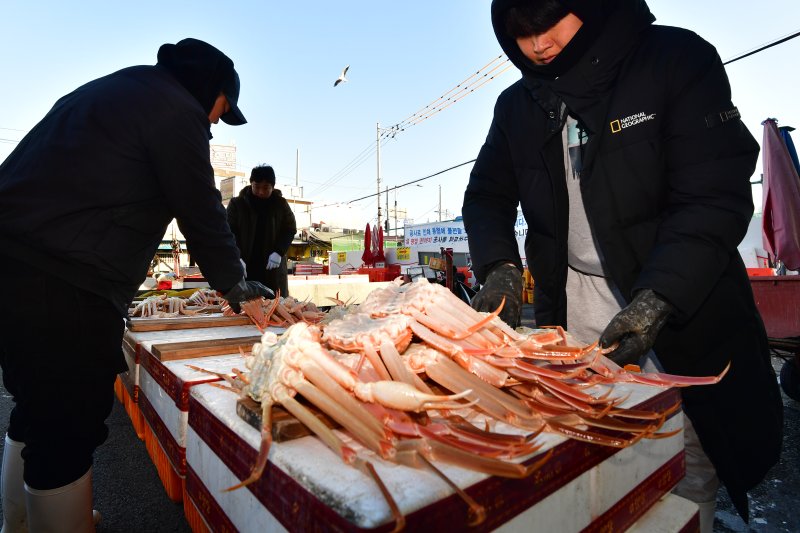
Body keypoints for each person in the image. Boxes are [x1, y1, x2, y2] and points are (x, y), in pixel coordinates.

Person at [462, 1, 783, 530]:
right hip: (574, 316)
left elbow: (714, 194)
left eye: (548, 23)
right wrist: (499, 265)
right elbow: (486, 196)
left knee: (682, 466)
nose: (538, 45)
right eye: (521, 33)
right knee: (586, 459)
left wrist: (660, 297)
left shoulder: (675, 59)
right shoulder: (518, 105)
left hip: (681, 308)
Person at [0, 38, 271, 532]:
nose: (213, 124)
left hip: (15, 262)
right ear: (211, 90)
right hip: (62, 279)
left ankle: (20, 522)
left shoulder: (119, 88)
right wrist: (236, 284)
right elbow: (201, 208)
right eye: (220, 112)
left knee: (37, 408)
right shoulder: (176, 110)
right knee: (65, 423)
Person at [226, 164, 297, 297]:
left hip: (272, 268)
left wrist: (279, 252)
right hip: (244, 266)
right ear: (251, 183)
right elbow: (229, 232)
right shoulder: (237, 204)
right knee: (243, 302)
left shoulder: (281, 204)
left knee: (276, 303)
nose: (260, 192)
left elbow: (290, 229)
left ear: (273, 187)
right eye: (256, 186)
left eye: (266, 188)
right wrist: (237, 256)